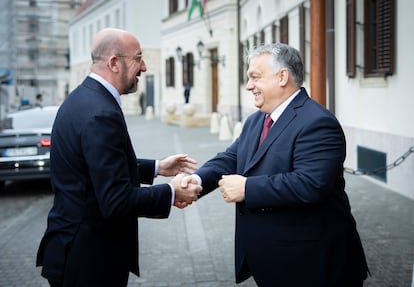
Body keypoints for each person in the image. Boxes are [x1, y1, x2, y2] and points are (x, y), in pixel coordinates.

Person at [181, 43, 369, 286]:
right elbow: (230, 158)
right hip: (272, 261)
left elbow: (310, 185)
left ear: (282, 77)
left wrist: (247, 188)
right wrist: (196, 181)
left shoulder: (318, 122)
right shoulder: (256, 120)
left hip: (312, 266)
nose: (249, 86)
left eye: (255, 77)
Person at [36, 28, 202, 287]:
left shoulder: (82, 98)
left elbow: (96, 167)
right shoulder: (101, 113)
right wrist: (171, 193)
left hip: (73, 250)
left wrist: (157, 168)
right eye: (138, 57)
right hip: (90, 262)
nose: (144, 67)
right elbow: (115, 200)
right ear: (114, 63)